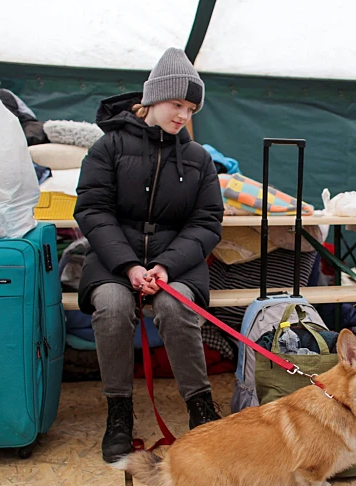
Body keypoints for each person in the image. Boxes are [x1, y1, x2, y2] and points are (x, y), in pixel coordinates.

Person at [74, 47, 224, 463]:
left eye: (191, 108)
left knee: (176, 308)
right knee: (110, 304)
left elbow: (207, 221)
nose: (183, 115)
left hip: (175, 262)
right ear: (153, 98)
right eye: (177, 104)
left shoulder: (198, 159)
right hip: (113, 259)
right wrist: (128, 265)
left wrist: (165, 265)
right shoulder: (107, 146)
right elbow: (92, 209)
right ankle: (118, 411)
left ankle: (200, 408)